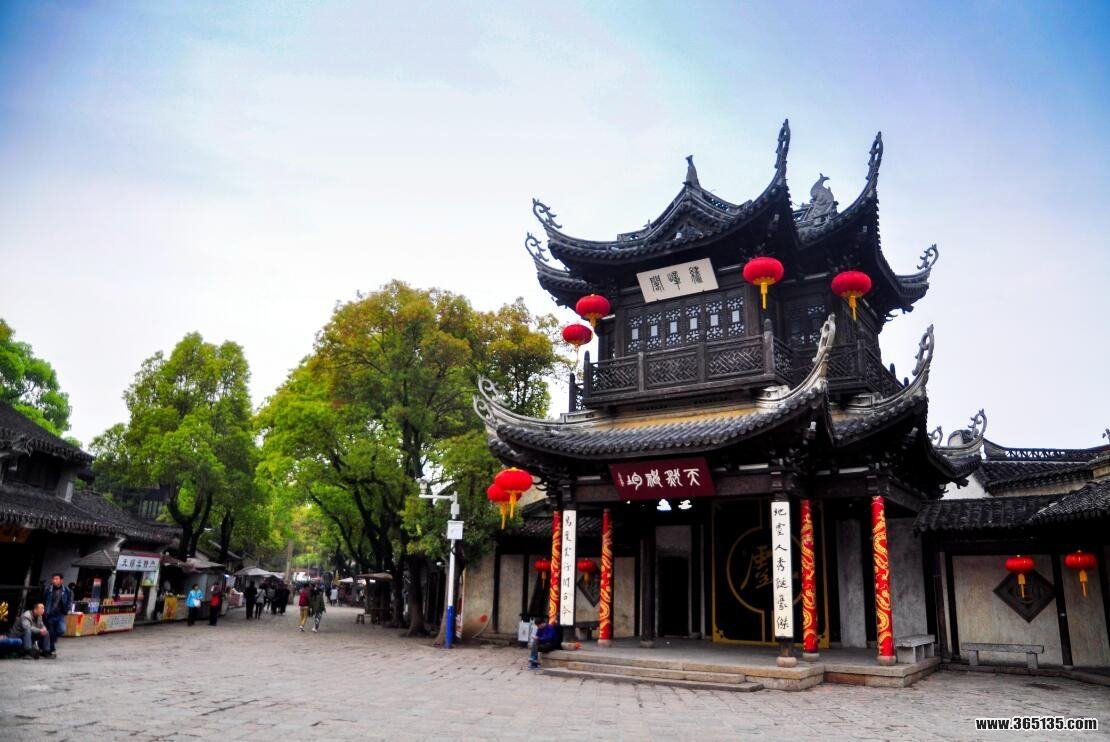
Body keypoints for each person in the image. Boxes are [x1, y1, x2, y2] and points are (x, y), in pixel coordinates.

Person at [42, 573, 71, 654]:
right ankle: (51, 649)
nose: (54, 580)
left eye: (56, 579)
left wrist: (67, 609)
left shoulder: (66, 590)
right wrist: (44, 612)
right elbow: (43, 600)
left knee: (61, 630)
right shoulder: (48, 590)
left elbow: (69, 601)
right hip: (49, 614)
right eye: (53, 579)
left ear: (61, 581)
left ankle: (50, 645)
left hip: (60, 614)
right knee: (51, 632)